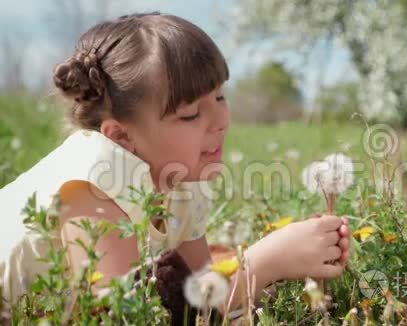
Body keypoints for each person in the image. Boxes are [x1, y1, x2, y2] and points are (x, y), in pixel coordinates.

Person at [0, 12, 350, 317]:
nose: (221, 121)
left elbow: (199, 296)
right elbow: (126, 315)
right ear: (122, 138)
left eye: (220, 97)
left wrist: (293, 258)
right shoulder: (93, 186)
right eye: (191, 114)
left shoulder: (180, 182)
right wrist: (263, 263)